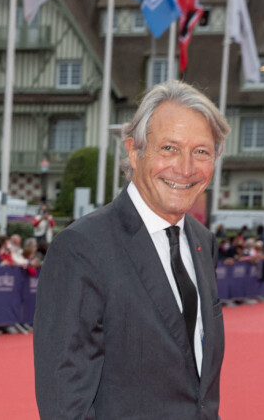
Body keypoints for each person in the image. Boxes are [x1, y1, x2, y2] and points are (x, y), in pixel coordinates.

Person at [34, 80, 230, 419]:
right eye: (169, 148)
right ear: (134, 151)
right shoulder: (82, 248)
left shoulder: (202, 242)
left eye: (201, 151)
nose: (185, 168)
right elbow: (64, 401)